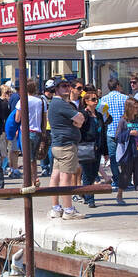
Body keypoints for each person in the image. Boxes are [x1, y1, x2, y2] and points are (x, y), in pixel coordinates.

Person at [46, 79, 85, 219]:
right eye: (63, 86)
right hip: (66, 146)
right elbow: (80, 119)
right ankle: (69, 210)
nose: (67, 88)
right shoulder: (61, 104)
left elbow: (80, 120)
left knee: (55, 176)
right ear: (56, 89)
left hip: (58, 144)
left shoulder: (55, 104)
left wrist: (77, 122)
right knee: (65, 178)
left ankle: (56, 208)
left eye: (68, 85)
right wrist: (77, 122)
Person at [112, 97, 138, 208]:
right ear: (129, 108)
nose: (137, 109)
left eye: (137, 107)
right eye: (134, 107)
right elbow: (118, 137)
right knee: (125, 175)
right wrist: (129, 133)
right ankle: (119, 195)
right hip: (127, 152)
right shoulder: (123, 121)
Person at [77, 88, 107, 207]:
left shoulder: (99, 115)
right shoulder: (84, 114)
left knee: (94, 173)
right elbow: (79, 129)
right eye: (93, 99)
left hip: (97, 148)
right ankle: (90, 199)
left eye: (97, 99)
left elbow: (102, 132)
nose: (96, 101)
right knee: (87, 173)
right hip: (86, 147)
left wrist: (105, 151)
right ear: (86, 101)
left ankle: (86, 193)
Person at [99, 77, 129, 192]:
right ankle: (126, 180)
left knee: (113, 158)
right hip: (124, 131)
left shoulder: (104, 99)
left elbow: (101, 115)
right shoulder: (125, 98)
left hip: (110, 131)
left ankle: (117, 180)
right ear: (117, 86)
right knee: (125, 157)